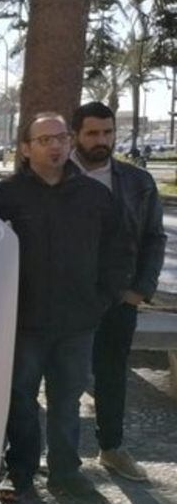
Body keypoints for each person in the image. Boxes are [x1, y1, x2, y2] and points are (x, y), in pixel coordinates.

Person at [0, 112, 132, 504]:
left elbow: (120, 250)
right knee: (20, 397)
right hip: (23, 321)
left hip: (77, 322)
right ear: (26, 148)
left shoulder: (95, 196)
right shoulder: (5, 196)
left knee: (67, 399)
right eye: (44, 140)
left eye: (61, 138)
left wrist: (103, 298)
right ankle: (20, 472)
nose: (56, 146)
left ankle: (66, 474)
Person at [71, 101, 166, 482]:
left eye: (108, 132)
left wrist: (138, 291)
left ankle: (112, 448)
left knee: (111, 375)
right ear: (77, 134)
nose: (101, 140)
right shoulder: (55, 178)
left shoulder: (138, 182)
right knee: (55, 378)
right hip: (63, 300)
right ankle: (51, 459)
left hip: (117, 300)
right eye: (92, 133)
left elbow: (154, 238)